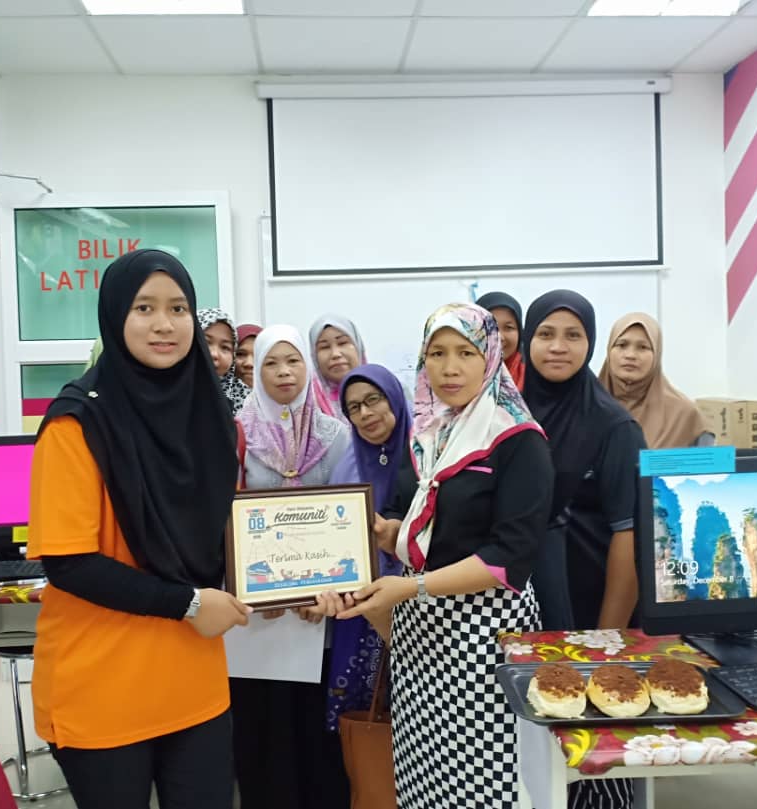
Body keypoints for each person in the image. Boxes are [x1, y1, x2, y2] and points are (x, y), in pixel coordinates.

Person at [28, 249, 251, 809]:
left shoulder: (209, 418)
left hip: (195, 684)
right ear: (114, 316)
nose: (164, 324)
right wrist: (190, 604)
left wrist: (291, 578)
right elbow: (70, 564)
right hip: (103, 687)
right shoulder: (77, 422)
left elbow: (221, 539)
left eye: (178, 308)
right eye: (144, 308)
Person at [336, 303, 553, 809]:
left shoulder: (518, 440)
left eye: (465, 353)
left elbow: (509, 557)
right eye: (436, 353)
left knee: (484, 775)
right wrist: (390, 534)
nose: (449, 368)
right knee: (423, 771)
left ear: (490, 357)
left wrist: (413, 586)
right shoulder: (430, 433)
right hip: (421, 633)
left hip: (485, 636)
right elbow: (426, 521)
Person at [232, 324, 352, 809]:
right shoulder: (236, 433)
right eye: (271, 363)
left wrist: (324, 590)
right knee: (265, 729)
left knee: (315, 728)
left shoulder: (335, 434)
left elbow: (347, 520)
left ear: (308, 366)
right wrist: (257, 589)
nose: (284, 372)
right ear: (255, 371)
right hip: (258, 613)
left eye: (293, 360)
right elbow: (224, 515)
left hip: (319, 610)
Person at [522, 290, 646, 633]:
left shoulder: (615, 426)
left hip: (587, 604)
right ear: (528, 339)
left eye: (573, 335)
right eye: (546, 334)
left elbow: (629, 533)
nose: (558, 347)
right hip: (513, 603)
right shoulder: (507, 414)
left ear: (590, 344)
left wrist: (607, 636)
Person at [323, 364, 410, 731]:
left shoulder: (427, 454)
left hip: (416, 597)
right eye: (354, 408)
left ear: (394, 398)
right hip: (357, 602)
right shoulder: (346, 465)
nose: (365, 413)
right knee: (361, 710)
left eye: (373, 400)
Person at [598, 312, 711, 449]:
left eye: (643, 347)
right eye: (622, 345)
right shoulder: (585, 405)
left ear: (657, 354)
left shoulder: (684, 414)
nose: (630, 355)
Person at [308, 315, 366, 419]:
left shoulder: (382, 393)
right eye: (324, 347)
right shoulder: (307, 408)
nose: (335, 354)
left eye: (342, 343)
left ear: (358, 346)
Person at [198, 308, 252, 416]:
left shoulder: (247, 402)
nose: (214, 354)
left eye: (225, 347)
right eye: (206, 342)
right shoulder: (168, 390)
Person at [477, 291, 526, 390]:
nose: (500, 337)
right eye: (490, 327)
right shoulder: (456, 373)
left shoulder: (535, 377)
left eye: (508, 327)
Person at [235, 323, 261, 388]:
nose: (249, 363)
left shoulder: (282, 393)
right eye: (240, 354)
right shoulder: (213, 392)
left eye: (258, 355)